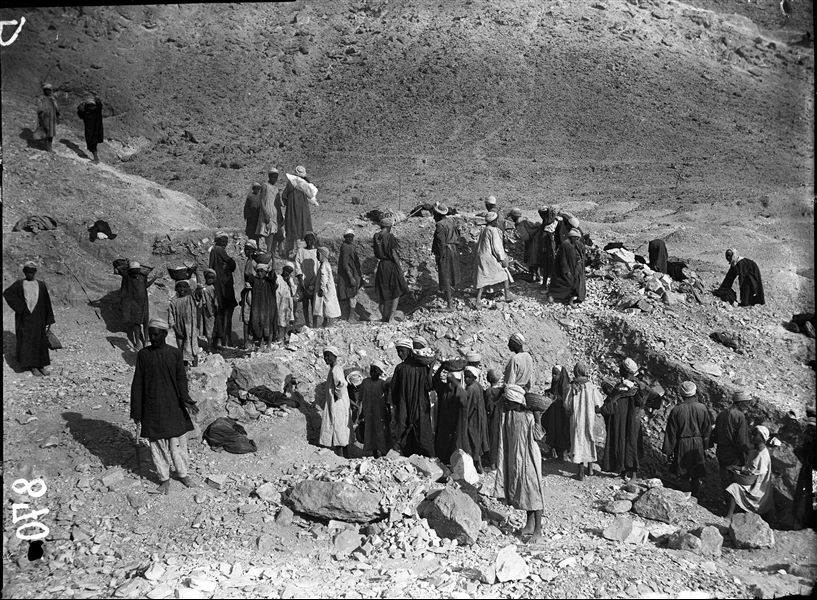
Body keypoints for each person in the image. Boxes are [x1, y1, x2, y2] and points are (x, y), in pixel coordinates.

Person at [130, 318, 200, 494]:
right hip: (152, 407)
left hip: (173, 405)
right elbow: (137, 382)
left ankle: (183, 473)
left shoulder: (175, 353)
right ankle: (164, 478)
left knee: (178, 444)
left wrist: (186, 399)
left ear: (165, 334)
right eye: (150, 334)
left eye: (155, 334)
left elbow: (181, 378)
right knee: (157, 445)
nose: (152, 337)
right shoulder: (143, 355)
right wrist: (136, 411)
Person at [493, 384, 546, 543]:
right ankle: (529, 525)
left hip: (529, 460)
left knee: (534, 493)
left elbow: (539, 436)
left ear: (517, 401)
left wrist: (538, 418)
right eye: (506, 402)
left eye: (509, 401)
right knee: (525, 493)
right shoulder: (508, 415)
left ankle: (538, 531)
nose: (507, 404)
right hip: (517, 460)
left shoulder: (528, 417)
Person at [3, 261, 55, 376]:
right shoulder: (19, 284)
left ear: (35, 272)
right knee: (28, 341)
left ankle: (41, 365)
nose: (30, 274)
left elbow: (47, 302)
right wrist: (20, 307)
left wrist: (49, 319)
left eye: (32, 272)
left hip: (39, 318)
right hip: (25, 319)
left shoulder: (41, 285)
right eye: (27, 272)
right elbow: (7, 293)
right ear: (24, 272)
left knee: (40, 341)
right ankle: (32, 366)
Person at [663, 381, 712, 498]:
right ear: (695, 393)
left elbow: (671, 432)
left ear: (681, 394)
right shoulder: (702, 408)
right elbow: (707, 429)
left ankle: (686, 498)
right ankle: (695, 498)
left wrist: (669, 450)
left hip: (682, 444)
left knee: (683, 473)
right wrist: (705, 446)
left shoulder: (677, 410)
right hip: (698, 443)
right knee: (696, 474)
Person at [599, 358, 645, 482]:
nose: (619, 370)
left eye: (621, 369)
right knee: (627, 444)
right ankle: (624, 471)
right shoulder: (636, 386)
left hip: (626, 420)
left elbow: (610, 403)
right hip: (630, 420)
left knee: (627, 443)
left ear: (626, 371)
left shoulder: (624, 387)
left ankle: (633, 475)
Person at [391, 338, 434, 457]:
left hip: (409, 404)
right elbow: (429, 386)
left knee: (406, 429)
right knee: (421, 430)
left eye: (401, 351)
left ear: (410, 351)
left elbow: (394, 390)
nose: (399, 354)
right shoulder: (420, 368)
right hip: (419, 405)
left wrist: (396, 404)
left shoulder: (401, 368)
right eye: (398, 351)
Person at [564, 362, 604, 480]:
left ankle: (580, 472)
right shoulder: (591, 386)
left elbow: (567, 405)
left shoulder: (571, 386)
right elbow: (598, 403)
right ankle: (590, 469)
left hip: (576, 419)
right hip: (589, 418)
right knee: (589, 439)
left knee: (578, 441)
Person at [726, 425, 774, 519]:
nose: (752, 437)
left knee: (733, 488)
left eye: (755, 435)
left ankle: (729, 515)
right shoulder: (756, 450)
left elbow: (752, 472)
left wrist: (738, 468)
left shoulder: (762, 455)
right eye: (752, 434)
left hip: (757, 486)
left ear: (762, 438)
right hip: (753, 481)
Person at [712, 388, 752, 499]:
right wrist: (749, 453)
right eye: (747, 403)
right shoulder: (739, 416)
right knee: (734, 483)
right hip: (733, 455)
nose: (748, 406)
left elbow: (715, 435)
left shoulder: (722, 414)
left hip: (721, 452)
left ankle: (726, 503)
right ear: (741, 402)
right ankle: (731, 509)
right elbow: (742, 441)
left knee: (725, 479)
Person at [475, 211, 516, 308]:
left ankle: (478, 300)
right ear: (494, 221)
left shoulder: (485, 229)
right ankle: (507, 295)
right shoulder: (493, 230)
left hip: (482, 256)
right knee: (504, 274)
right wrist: (502, 259)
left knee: (482, 278)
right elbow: (496, 247)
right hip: (489, 257)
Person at [116, 260, 159, 351]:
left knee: (145, 322)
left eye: (137, 271)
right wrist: (128, 265)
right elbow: (119, 268)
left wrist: (155, 278)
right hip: (134, 304)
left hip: (143, 303)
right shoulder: (127, 276)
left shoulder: (142, 277)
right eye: (134, 271)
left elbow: (145, 286)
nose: (135, 273)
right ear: (130, 271)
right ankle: (138, 343)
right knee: (136, 324)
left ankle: (146, 342)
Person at [373, 217, 409, 323]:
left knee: (384, 291)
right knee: (396, 290)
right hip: (390, 264)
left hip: (381, 265)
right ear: (389, 227)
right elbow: (393, 253)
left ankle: (384, 316)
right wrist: (399, 266)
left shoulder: (376, 236)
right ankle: (391, 317)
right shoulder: (389, 237)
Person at [319, 346, 352, 458]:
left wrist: (337, 395)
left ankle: (341, 457)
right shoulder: (334, 369)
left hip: (337, 404)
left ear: (335, 356)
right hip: (339, 403)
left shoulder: (336, 369)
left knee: (338, 429)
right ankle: (345, 456)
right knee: (341, 430)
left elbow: (341, 383)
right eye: (325, 356)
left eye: (329, 356)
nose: (326, 358)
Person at [208, 232, 238, 349]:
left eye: (226, 242)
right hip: (223, 287)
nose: (224, 244)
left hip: (221, 286)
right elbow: (232, 264)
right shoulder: (218, 250)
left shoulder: (214, 251)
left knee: (220, 314)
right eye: (223, 241)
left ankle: (221, 340)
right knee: (224, 313)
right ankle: (224, 340)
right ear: (218, 241)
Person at [459, 366, 489, 473]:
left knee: (472, 440)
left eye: (469, 377)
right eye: (465, 377)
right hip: (479, 417)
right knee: (477, 440)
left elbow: (468, 407)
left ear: (474, 378)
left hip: (472, 419)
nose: (466, 379)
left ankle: (477, 465)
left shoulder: (470, 389)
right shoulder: (478, 386)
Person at [433, 365, 465, 463]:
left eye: (452, 382)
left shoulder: (460, 394)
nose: (449, 384)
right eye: (448, 381)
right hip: (444, 426)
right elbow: (435, 380)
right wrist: (442, 366)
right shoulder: (444, 389)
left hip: (454, 427)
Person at [432, 203, 460, 310]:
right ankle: (450, 296)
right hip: (453, 249)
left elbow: (440, 242)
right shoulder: (451, 221)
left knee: (445, 276)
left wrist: (440, 255)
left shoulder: (440, 225)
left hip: (445, 251)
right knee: (451, 273)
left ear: (437, 214)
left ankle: (450, 305)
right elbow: (458, 234)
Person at [360, 359, 391, 458]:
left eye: (376, 370)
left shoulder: (382, 384)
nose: (373, 372)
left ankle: (383, 453)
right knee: (370, 432)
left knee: (380, 432)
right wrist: (361, 413)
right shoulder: (365, 382)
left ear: (380, 372)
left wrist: (388, 412)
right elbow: (360, 398)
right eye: (372, 369)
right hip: (368, 412)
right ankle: (374, 454)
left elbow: (387, 399)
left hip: (380, 413)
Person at [282, 165, 316, 254]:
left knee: (293, 226)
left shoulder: (291, 182)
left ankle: (291, 250)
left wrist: (287, 202)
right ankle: (303, 250)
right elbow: (311, 196)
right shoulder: (305, 184)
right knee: (303, 226)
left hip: (292, 209)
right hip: (303, 209)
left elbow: (284, 195)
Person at [548, 229, 586, 305]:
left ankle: (571, 299)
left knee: (577, 283)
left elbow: (582, 254)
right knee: (565, 283)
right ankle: (552, 295)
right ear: (571, 237)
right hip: (566, 269)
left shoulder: (576, 244)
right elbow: (563, 259)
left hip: (576, 267)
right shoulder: (565, 245)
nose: (577, 239)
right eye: (576, 237)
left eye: (578, 238)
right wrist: (566, 271)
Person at [167, 280, 199, 367]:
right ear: (176, 289)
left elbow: (198, 296)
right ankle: (184, 369)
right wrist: (176, 330)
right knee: (181, 348)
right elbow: (171, 318)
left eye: (184, 287)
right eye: (179, 287)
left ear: (188, 288)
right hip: (179, 329)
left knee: (193, 347)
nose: (182, 289)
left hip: (191, 328)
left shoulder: (191, 299)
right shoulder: (173, 302)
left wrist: (199, 288)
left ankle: (195, 367)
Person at [508, 207, 543, 283]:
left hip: (533, 241)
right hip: (536, 239)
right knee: (534, 258)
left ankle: (534, 276)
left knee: (532, 258)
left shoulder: (519, 223)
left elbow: (525, 237)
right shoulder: (525, 219)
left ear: (514, 216)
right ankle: (536, 275)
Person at [544, 365, 571, 460]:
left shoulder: (565, 385)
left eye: (556, 374)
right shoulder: (555, 383)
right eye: (553, 374)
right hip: (554, 412)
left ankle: (562, 454)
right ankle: (553, 451)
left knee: (561, 432)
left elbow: (565, 399)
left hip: (562, 414)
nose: (554, 376)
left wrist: (555, 398)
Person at [250, 262, 278, 350]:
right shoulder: (255, 281)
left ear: (266, 272)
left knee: (269, 324)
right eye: (258, 271)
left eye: (262, 271)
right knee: (259, 324)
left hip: (269, 307)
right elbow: (247, 274)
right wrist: (250, 260)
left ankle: (269, 345)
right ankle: (261, 344)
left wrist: (273, 260)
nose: (259, 273)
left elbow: (272, 274)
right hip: (258, 307)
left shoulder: (270, 281)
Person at [337, 229, 363, 321]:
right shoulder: (346, 247)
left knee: (352, 295)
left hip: (353, 273)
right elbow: (345, 264)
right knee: (352, 295)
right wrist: (351, 277)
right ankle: (351, 317)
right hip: (349, 274)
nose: (350, 238)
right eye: (348, 237)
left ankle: (350, 315)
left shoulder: (349, 246)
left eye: (351, 237)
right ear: (345, 237)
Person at [295, 231, 319, 328]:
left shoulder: (317, 252)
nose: (309, 241)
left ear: (314, 240)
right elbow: (297, 265)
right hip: (304, 281)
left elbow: (318, 267)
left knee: (314, 304)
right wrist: (301, 280)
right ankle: (307, 323)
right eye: (307, 239)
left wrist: (315, 282)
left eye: (311, 239)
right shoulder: (301, 251)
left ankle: (315, 324)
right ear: (305, 240)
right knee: (305, 303)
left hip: (314, 281)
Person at [314, 246, 341, 328]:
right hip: (328, 288)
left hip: (326, 289)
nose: (317, 257)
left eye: (318, 255)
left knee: (329, 305)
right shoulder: (325, 264)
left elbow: (324, 278)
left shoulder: (324, 265)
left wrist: (322, 288)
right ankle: (325, 322)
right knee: (326, 305)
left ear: (322, 255)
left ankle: (330, 323)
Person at [483, 369, 504, 470]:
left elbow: (488, 406)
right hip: (501, 417)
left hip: (491, 418)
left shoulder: (488, 391)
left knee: (492, 439)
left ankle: (492, 463)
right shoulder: (501, 391)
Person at [538, 206, 562, 290]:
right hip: (550, 248)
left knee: (549, 266)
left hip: (550, 248)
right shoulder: (552, 222)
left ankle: (548, 285)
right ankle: (551, 285)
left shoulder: (550, 223)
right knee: (551, 266)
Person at [257, 169, 280, 252]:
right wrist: (265, 213)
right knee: (264, 230)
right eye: (273, 177)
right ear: (269, 177)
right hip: (266, 211)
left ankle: (269, 250)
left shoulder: (276, 188)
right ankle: (262, 250)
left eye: (276, 177)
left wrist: (280, 215)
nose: (274, 179)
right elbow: (262, 200)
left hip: (274, 212)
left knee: (272, 232)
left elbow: (278, 203)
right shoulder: (265, 186)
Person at [76, 94, 103, 162]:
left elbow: (79, 110)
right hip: (96, 131)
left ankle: (96, 159)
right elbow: (100, 105)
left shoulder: (87, 112)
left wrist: (83, 104)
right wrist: (97, 100)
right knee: (93, 144)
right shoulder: (96, 111)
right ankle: (96, 158)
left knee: (92, 145)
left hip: (90, 132)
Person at [275, 262, 298, 343]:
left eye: (289, 271)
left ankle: (284, 336)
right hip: (279, 302)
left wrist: (289, 282)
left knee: (286, 320)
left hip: (287, 303)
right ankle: (279, 337)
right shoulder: (278, 278)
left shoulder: (290, 280)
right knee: (280, 320)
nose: (287, 272)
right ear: (283, 269)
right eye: (286, 270)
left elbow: (294, 293)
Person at [35, 83, 59, 152]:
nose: (48, 91)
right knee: (45, 131)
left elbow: (56, 108)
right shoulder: (41, 98)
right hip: (44, 117)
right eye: (46, 90)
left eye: (49, 90)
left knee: (51, 133)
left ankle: (49, 148)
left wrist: (57, 114)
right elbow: (39, 108)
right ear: (44, 90)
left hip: (51, 117)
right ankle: (46, 146)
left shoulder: (53, 98)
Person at [199, 268, 219, 350]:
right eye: (208, 278)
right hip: (208, 311)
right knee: (209, 328)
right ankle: (210, 346)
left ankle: (211, 346)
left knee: (210, 328)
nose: (210, 280)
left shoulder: (209, 288)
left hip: (209, 310)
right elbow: (215, 301)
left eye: (212, 278)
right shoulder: (209, 288)